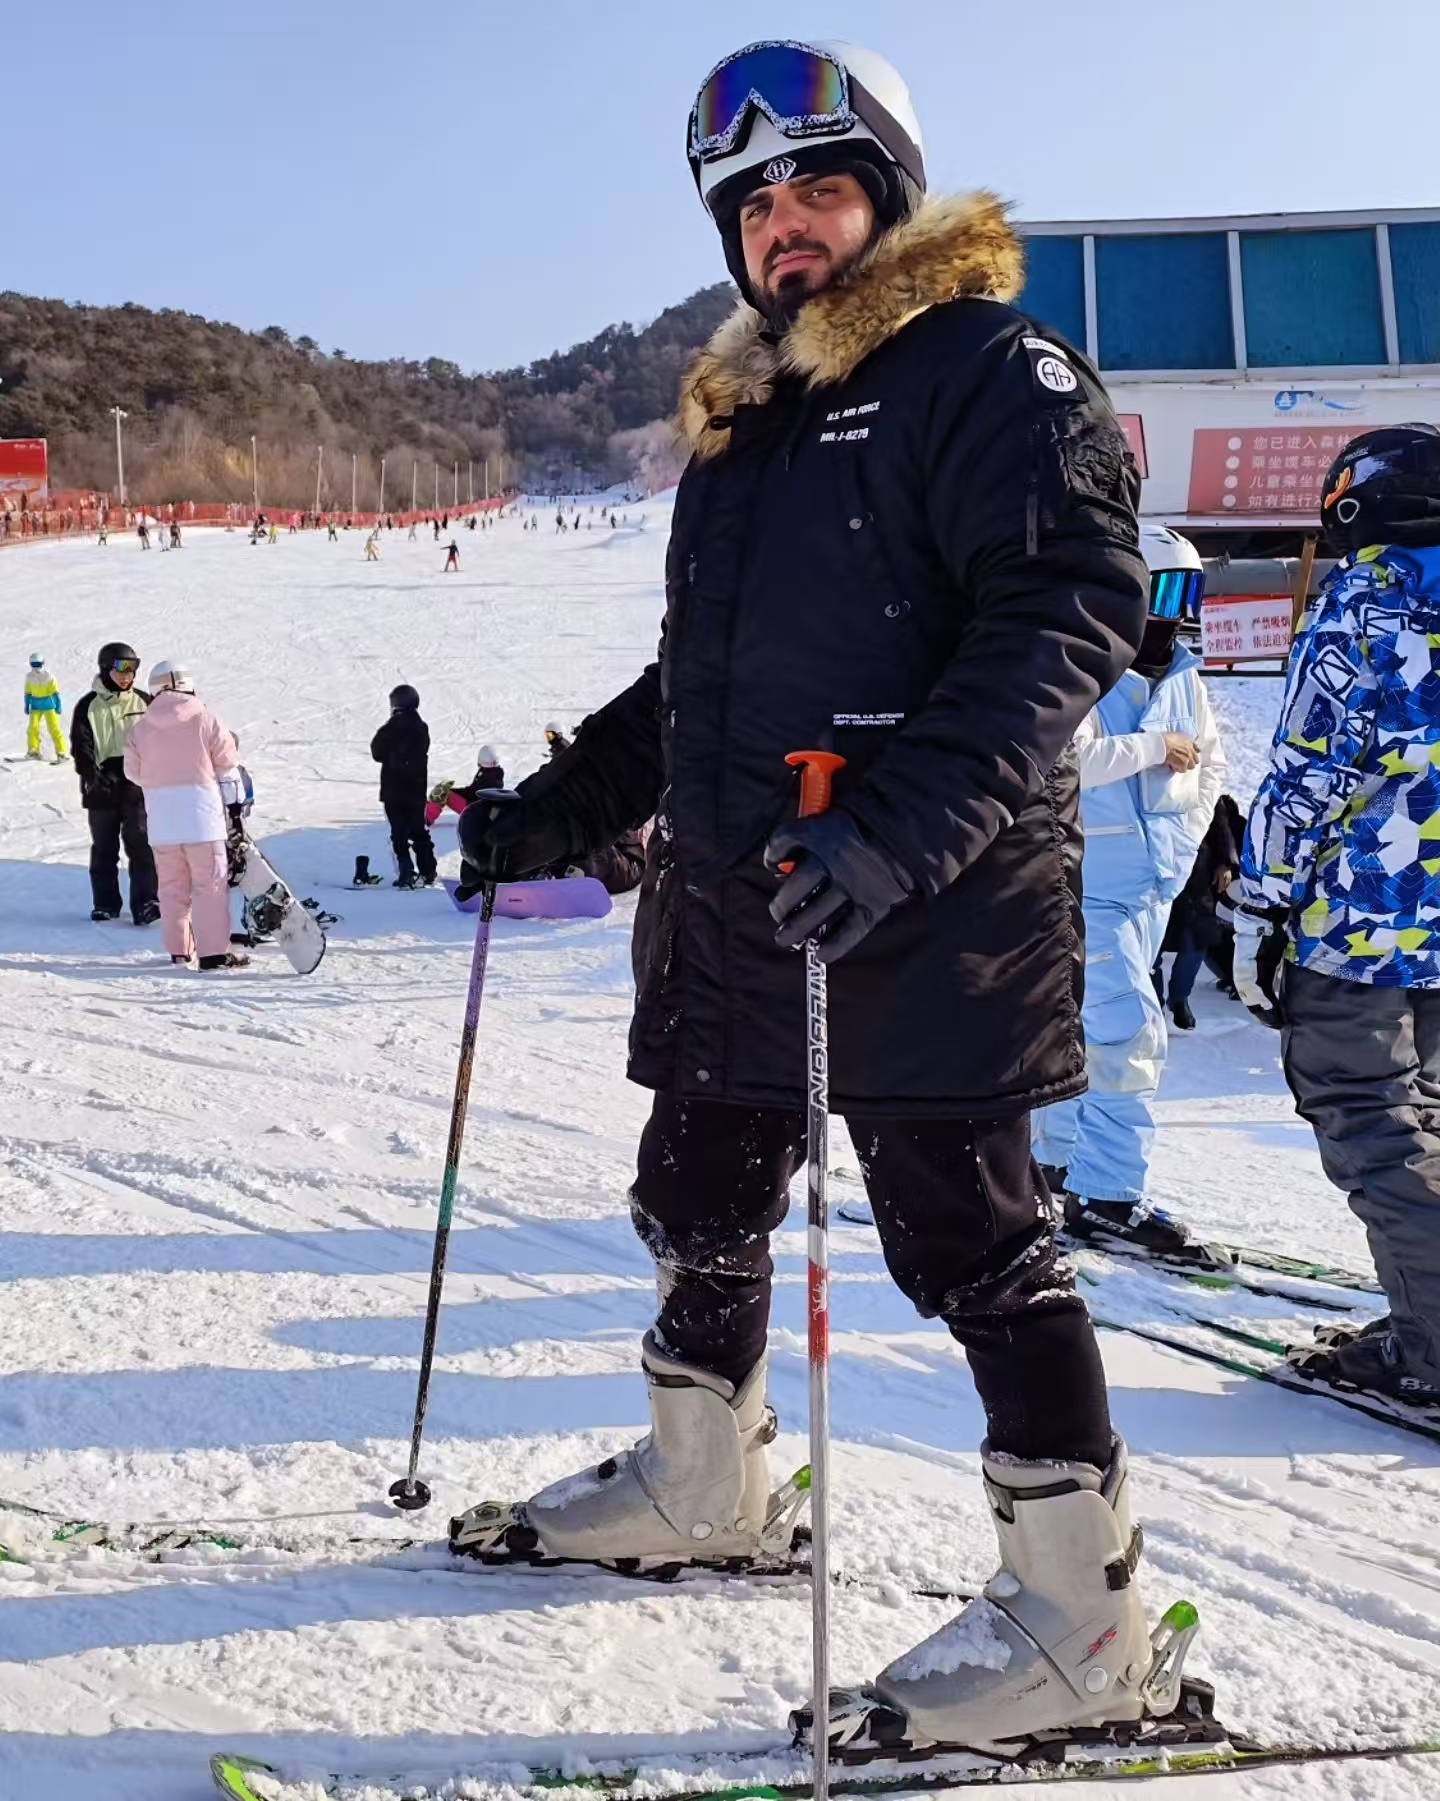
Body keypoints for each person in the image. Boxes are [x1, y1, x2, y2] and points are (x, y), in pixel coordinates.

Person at [453, 37, 1159, 1754]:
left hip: (923, 905)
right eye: (755, 200)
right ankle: (709, 1483)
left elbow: (1068, 610)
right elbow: (703, 687)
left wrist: (895, 827)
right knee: (693, 1188)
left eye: (822, 184)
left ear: (890, 199)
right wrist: (550, 810)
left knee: (972, 1245)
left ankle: (1086, 1619)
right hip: (748, 914)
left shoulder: (990, 369)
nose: (787, 220)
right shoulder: (750, 428)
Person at [1234, 423, 1440, 1411]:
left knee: (1374, 1126)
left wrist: (1255, 907)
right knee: (1429, 1121)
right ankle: (1424, 1315)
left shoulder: (1371, 596)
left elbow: (1307, 774)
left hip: (1361, 927)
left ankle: (1432, 1349)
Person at [1033, 525, 1225, 1259]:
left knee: (1083, 1033)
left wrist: (1177, 855)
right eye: (1159, 592)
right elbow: (1057, 757)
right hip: (1085, 889)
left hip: (1148, 893)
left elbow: (1211, 768)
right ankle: (1107, 1193)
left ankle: (1055, 1163)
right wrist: (1152, 747)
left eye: (1187, 592)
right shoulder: (1080, 665)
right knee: (1128, 1038)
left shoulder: (1185, 681)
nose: (1171, 614)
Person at [123, 661, 249, 971]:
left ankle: (180, 951)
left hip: (162, 824)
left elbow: (133, 774)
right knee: (210, 887)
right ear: (188, 685)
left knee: (171, 888)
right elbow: (228, 771)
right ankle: (214, 954)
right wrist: (235, 812)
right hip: (202, 821)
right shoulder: (206, 719)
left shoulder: (140, 729)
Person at [71, 642, 160, 924]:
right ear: (106, 668)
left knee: (142, 846)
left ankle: (146, 902)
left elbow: (160, 741)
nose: (127, 675)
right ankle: (106, 904)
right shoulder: (88, 705)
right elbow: (81, 746)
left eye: (132, 669)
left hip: (136, 784)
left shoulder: (145, 702)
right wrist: (92, 777)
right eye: (121, 668)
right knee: (104, 848)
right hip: (101, 785)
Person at [1154, 793, 1244, 1029]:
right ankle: (1154, 1006)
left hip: (1196, 871)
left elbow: (1218, 820)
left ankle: (1179, 999)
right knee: (1150, 944)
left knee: (1196, 941)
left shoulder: (1200, 780)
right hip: (1152, 867)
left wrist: (1226, 862)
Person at [370, 684, 437, 888]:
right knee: (418, 831)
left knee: (399, 832)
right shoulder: (422, 727)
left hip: (394, 789)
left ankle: (407, 871)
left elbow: (376, 751)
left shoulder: (391, 728)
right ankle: (428, 870)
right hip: (415, 789)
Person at [23, 651, 68, 761]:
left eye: (38, 664)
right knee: (32, 728)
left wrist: (58, 705)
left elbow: (55, 693)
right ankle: (33, 750)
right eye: (34, 665)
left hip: (48, 705)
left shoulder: (49, 676)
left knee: (54, 728)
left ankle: (61, 752)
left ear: (43, 663)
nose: (36, 667)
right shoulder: (29, 677)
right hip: (36, 706)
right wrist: (27, 704)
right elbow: (28, 692)